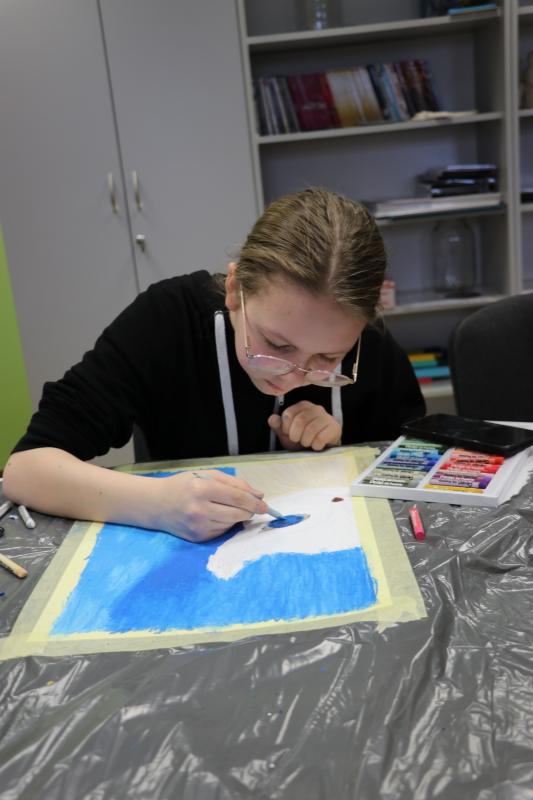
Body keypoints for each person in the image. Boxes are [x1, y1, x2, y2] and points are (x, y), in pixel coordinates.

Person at [4, 188, 424, 541]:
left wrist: (338, 451)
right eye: (276, 344)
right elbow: (27, 470)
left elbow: (416, 475)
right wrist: (159, 503)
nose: (294, 376)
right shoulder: (167, 322)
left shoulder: (368, 346)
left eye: (328, 358)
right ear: (234, 289)